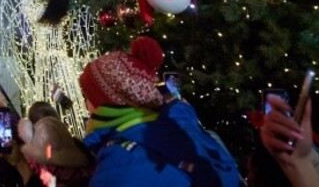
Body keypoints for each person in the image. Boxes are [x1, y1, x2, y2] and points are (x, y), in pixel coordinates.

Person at [78, 36, 241, 187]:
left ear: (108, 101)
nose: (86, 104)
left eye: (88, 96)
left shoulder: (120, 161)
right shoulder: (183, 127)